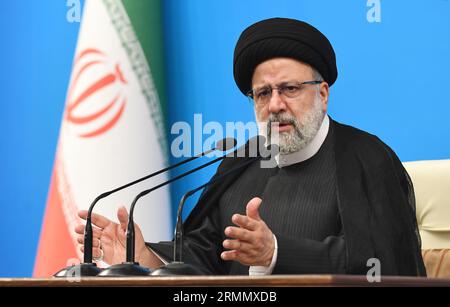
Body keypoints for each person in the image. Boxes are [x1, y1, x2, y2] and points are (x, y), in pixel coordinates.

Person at [76, 17, 426, 276]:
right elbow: (206, 254)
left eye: (289, 89)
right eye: (262, 93)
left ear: (322, 93)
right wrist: (145, 257)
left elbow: (381, 264)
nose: (274, 105)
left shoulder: (366, 158)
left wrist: (274, 252)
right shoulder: (241, 160)